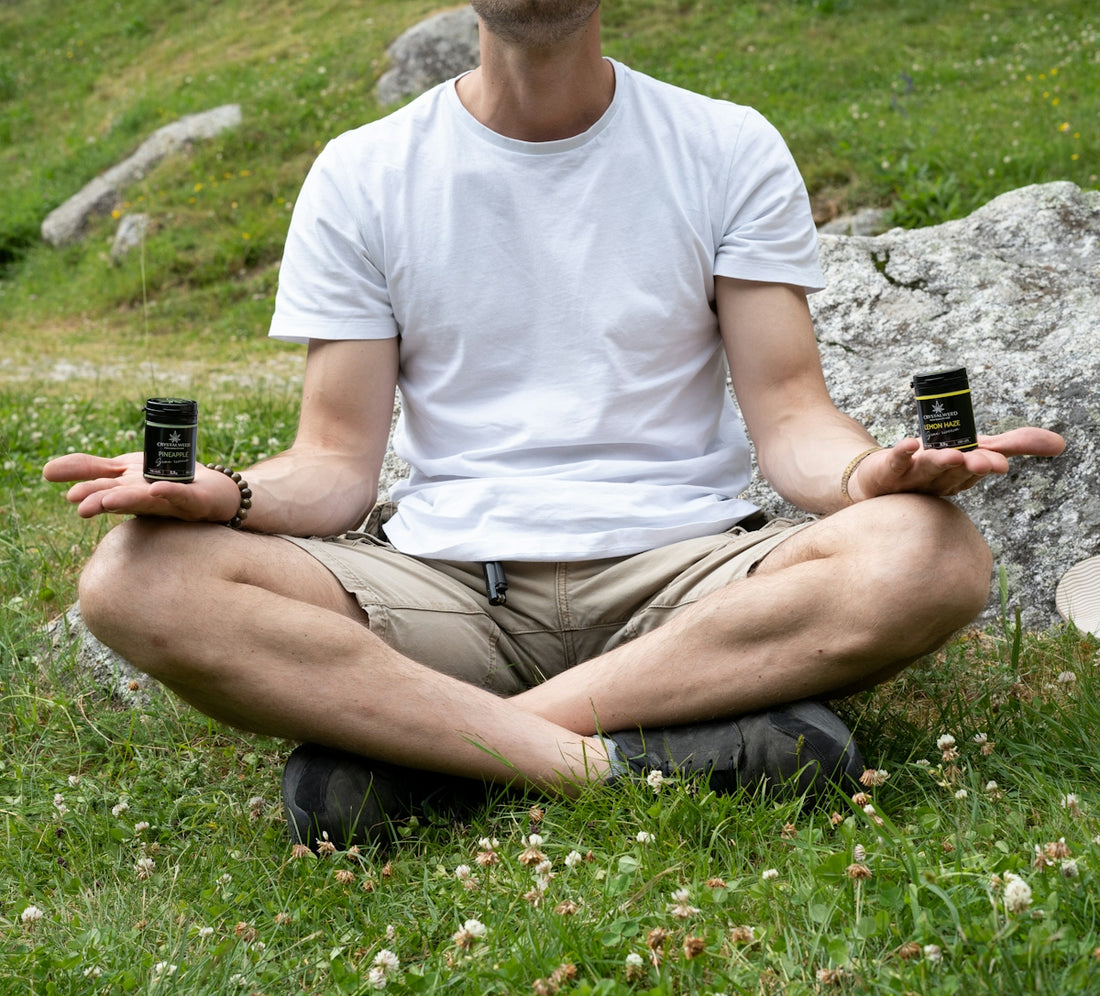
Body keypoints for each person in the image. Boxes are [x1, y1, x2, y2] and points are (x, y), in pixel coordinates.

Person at [44, 1, 1064, 850]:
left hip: (684, 584)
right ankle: (612, 762)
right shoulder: (363, 172)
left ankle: (428, 756)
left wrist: (869, 478)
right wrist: (228, 496)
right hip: (446, 593)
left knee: (929, 555)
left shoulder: (722, 145)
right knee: (134, 579)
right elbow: (334, 469)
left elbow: (791, 417)